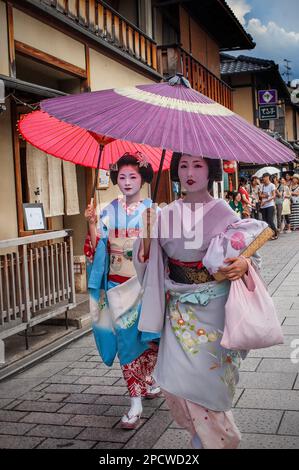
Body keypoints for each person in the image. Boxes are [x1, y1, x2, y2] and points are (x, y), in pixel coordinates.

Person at [133, 153, 266, 449]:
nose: (189, 172)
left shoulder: (224, 212)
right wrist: (145, 234)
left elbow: (249, 253)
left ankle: (215, 440)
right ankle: (199, 437)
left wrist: (244, 264)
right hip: (179, 311)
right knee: (176, 384)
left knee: (208, 383)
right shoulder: (163, 213)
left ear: (211, 171)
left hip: (215, 310)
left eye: (197, 165)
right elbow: (149, 261)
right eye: (183, 165)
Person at [84, 153, 160, 429]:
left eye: (133, 177)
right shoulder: (107, 210)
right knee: (127, 343)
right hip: (117, 285)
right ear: (116, 179)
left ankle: (148, 379)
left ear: (142, 179)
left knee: (149, 340)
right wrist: (92, 222)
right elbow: (97, 249)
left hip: (143, 285)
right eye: (123, 177)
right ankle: (135, 402)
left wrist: (151, 231)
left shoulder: (154, 211)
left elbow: (158, 254)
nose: (127, 182)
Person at [260, 173, 278, 240]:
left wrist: (266, 201)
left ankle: (275, 233)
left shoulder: (272, 185)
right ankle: (269, 234)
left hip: (270, 205)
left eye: (264, 177)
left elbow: (273, 196)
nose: (263, 178)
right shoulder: (262, 186)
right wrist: (265, 196)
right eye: (262, 177)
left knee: (270, 220)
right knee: (265, 221)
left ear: (267, 177)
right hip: (263, 206)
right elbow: (260, 195)